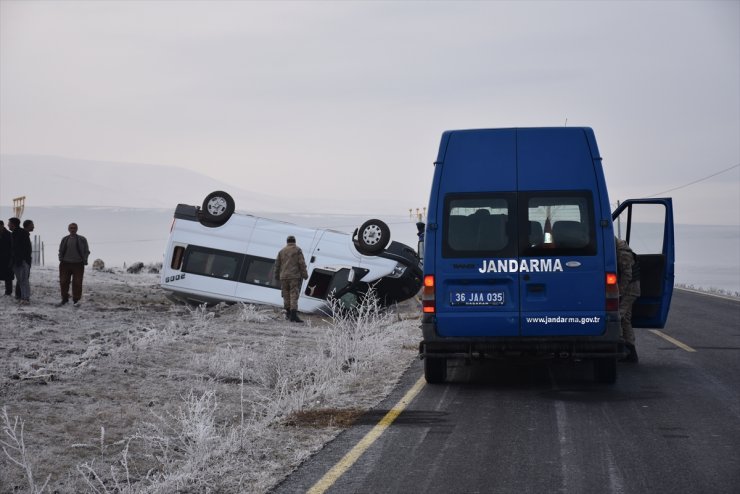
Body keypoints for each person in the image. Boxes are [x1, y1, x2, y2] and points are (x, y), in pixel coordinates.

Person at [616, 236, 641, 362]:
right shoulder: (622, 250)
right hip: (630, 290)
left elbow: (627, 275)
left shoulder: (623, 254)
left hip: (630, 291)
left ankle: (619, 346)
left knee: (617, 316)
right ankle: (631, 352)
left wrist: (619, 292)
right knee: (626, 319)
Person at [274, 235, 308, 323]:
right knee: (293, 294)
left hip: (283, 277)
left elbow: (277, 265)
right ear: (295, 241)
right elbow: (301, 263)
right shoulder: (297, 250)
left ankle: (288, 314)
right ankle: (293, 315)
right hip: (294, 276)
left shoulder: (281, 251)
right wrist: (305, 275)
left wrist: (277, 276)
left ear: (287, 242)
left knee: (285, 294)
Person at [57, 223, 91, 307]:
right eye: (71, 228)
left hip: (78, 264)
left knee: (77, 282)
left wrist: (85, 259)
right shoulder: (65, 239)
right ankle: (64, 299)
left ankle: (76, 300)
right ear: (68, 229)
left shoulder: (82, 239)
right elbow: (61, 250)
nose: (73, 229)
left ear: (77, 229)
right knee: (63, 281)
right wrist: (60, 258)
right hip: (65, 264)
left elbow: (87, 251)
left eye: (74, 228)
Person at [8, 218, 32, 304]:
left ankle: (25, 298)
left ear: (13, 224)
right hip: (18, 261)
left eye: (9, 223)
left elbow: (22, 249)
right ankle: (23, 297)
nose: (8, 225)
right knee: (22, 280)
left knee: (23, 280)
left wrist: (22, 260)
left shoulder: (20, 233)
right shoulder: (16, 233)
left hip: (21, 261)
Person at [0, 220, 13, 295]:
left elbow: (12, 247)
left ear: (2, 226)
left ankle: (8, 291)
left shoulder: (9, 235)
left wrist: (11, 258)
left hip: (7, 259)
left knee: (8, 276)